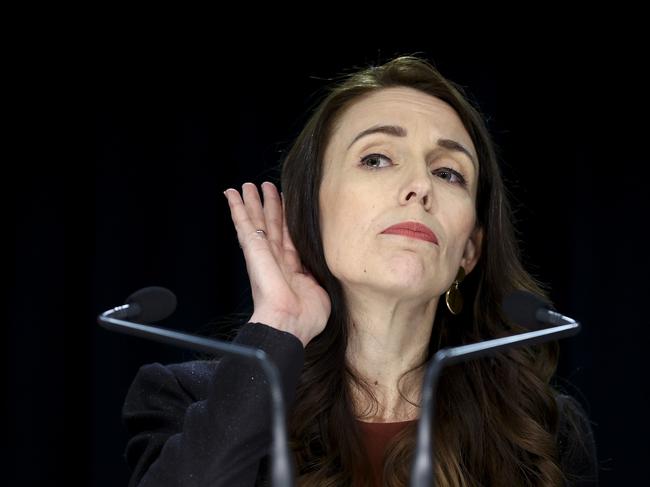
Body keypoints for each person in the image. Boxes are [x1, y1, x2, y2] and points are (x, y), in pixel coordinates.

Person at [121, 55, 599, 486]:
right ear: (310, 212)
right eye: (376, 159)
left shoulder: (540, 430)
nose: (418, 186)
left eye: (448, 172)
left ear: (469, 250)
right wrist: (281, 324)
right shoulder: (183, 396)